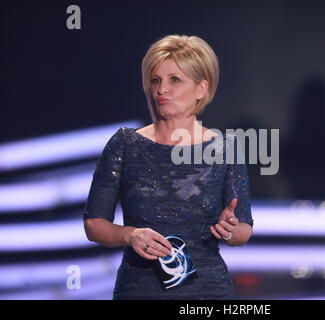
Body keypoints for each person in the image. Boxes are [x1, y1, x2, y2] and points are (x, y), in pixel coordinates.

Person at [83, 34, 254, 300]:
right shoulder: (126, 144)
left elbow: (243, 230)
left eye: (175, 80)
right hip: (138, 290)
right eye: (156, 80)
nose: (162, 89)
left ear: (201, 89)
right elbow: (94, 224)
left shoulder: (225, 147)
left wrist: (230, 230)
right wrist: (130, 235)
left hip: (206, 293)